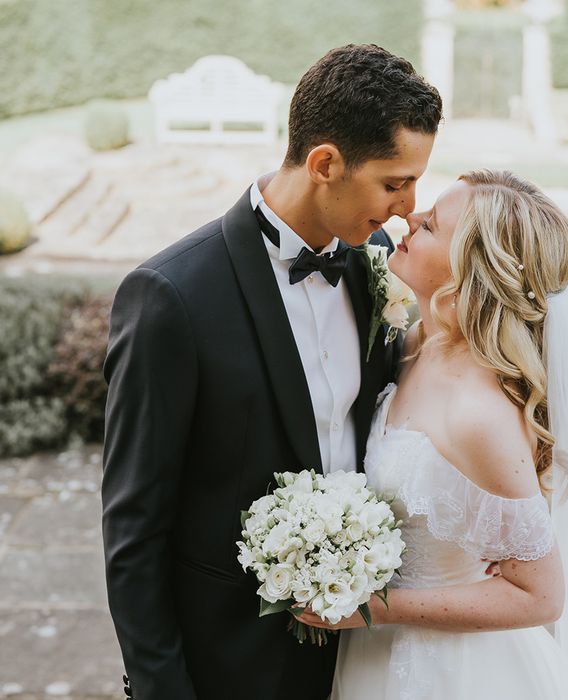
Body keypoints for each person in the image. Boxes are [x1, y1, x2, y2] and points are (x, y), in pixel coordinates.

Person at [101, 44, 442, 700]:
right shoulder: (170, 298)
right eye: (394, 181)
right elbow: (133, 528)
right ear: (324, 164)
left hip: (366, 654)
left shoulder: (376, 264)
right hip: (231, 661)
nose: (409, 206)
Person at [298, 170, 568, 699]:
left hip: (446, 671)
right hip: (373, 653)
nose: (408, 218)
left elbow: (540, 597)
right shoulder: (415, 344)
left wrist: (370, 606)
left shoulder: (479, 414)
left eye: (430, 224)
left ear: (467, 271)